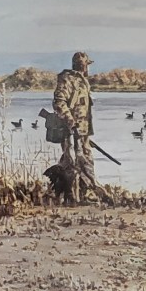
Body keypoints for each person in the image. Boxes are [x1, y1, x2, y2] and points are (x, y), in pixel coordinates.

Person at [53, 51, 97, 204]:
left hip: (82, 131)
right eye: (87, 65)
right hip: (71, 131)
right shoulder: (67, 79)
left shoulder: (82, 81)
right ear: (83, 66)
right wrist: (71, 122)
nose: (88, 68)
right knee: (71, 163)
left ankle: (85, 194)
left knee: (84, 160)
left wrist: (83, 130)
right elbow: (59, 102)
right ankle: (70, 196)